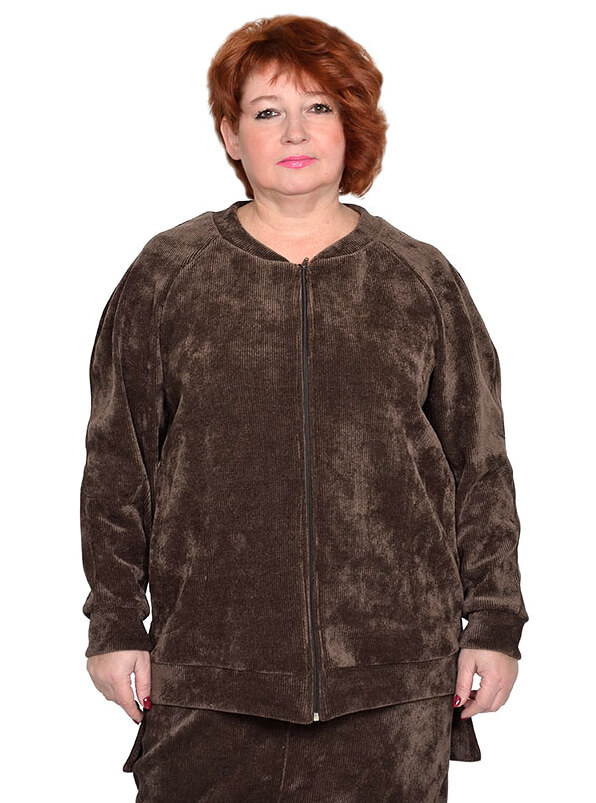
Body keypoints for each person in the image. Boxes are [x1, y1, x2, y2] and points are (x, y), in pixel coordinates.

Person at [81, 14, 529, 802]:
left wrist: (494, 622)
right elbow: (119, 464)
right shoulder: (167, 274)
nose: (295, 131)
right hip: (209, 683)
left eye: (319, 107)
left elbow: (480, 467)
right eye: (268, 110)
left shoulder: (420, 279)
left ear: (351, 125)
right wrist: (115, 624)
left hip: (390, 688)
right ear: (231, 133)